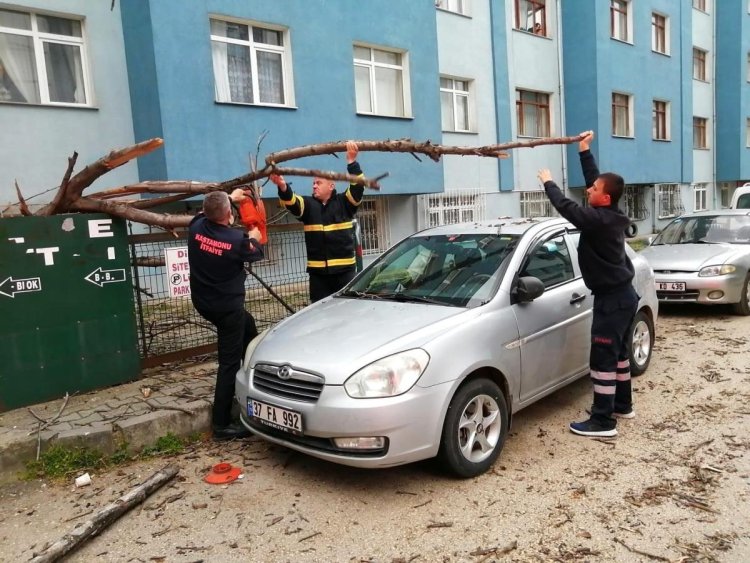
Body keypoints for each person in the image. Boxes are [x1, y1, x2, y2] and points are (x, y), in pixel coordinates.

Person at [537, 130, 638, 438]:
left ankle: (603, 421)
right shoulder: (609, 212)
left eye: (593, 189)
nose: (588, 189)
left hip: (613, 300)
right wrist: (584, 150)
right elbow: (597, 179)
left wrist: (548, 182)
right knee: (620, 356)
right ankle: (622, 405)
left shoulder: (598, 220)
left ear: (604, 198)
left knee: (603, 359)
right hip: (623, 297)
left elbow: (568, 208)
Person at [188, 190, 264, 441]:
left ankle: (257, 376)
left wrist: (229, 197)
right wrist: (254, 236)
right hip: (227, 308)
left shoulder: (196, 227)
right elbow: (257, 250)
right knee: (229, 363)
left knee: (249, 329)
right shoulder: (237, 240)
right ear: (229, 214)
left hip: (204, 302)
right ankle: (221, 424)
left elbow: (207, 211)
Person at [270, 140, 365, 302]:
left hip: (345, 272)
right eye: (313, 183)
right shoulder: (308, 205)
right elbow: (292, 202)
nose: (314, 186)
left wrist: (352, 162)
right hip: (318, 276)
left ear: (331, 186)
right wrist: (282, 186)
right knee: (318, 315)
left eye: (318, 183)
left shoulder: (344, 202)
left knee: (347, 314)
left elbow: (358, 187)